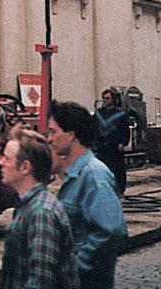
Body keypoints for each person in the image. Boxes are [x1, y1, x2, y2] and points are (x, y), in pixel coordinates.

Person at [47, 100, 127, 289]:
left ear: (71, 135)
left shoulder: (94, 175)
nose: (49, 138)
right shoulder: (77, 176)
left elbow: (111, 230)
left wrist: (74, 267)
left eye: (53, 131)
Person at [0, 125, 80, 289]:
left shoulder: (41, 213)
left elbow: (41, 282)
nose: (1, 162)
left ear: (25, 167)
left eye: (7, 158)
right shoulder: (28, 205)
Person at [93, 88, 130, 194]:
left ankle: (119, 188)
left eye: (108, 98)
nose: (105, 100)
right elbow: (93, 128)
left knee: (117, 168)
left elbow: (125, 131)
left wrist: (123, 142)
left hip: (115, 146)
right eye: (104, 98)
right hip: (102, 146)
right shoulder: (99, 114)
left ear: (113, 99)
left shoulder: (121, 114)